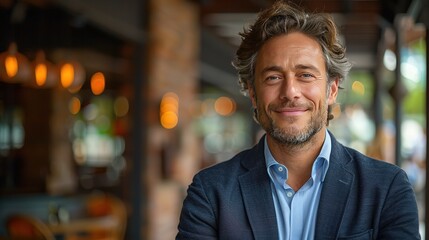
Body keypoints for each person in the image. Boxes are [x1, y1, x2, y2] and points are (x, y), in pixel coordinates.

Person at [176, 1, 420, 239]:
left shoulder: (387, 188)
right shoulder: (211, 192)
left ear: (332, 90)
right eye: (273, 77)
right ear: (252, 93)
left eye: (305, 75)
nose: (290, 91)